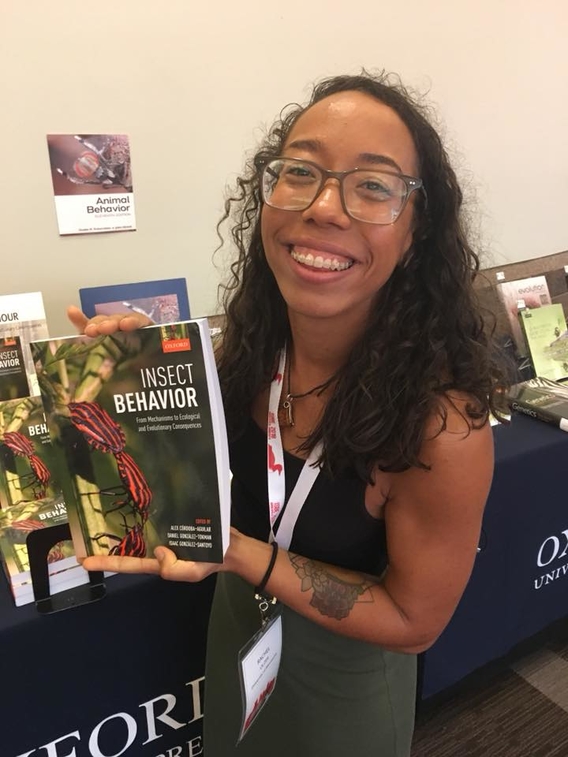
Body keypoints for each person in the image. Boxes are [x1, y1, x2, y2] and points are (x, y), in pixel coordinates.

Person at [68, 71, 508, 756]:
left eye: (372, 185)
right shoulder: (245, 353)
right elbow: (179, 478)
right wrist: (144, 373)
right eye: (300, 171)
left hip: (344, 685)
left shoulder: (442, 425)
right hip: (237, 637)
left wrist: (241, 554)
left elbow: (414, 619)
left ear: (417, 230)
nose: (326, 206)